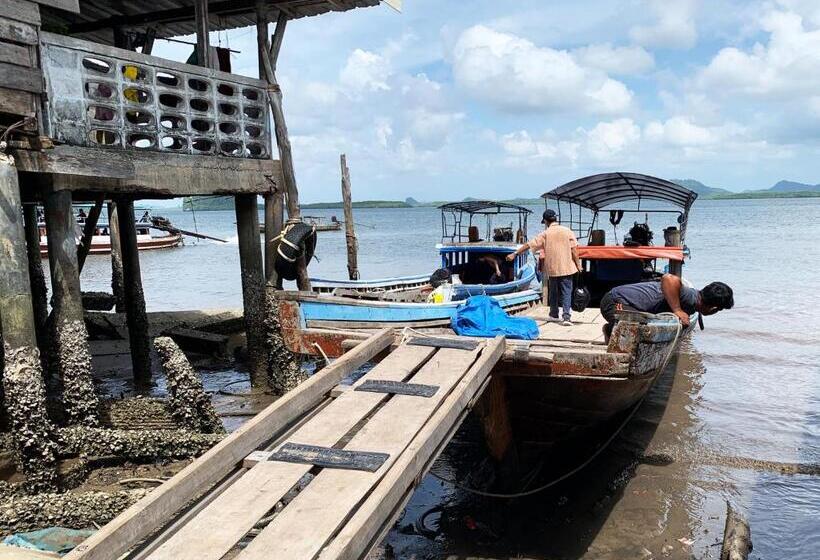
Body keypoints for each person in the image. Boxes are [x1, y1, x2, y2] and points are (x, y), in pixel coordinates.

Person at [507, 209, 582, 326]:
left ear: (546, 221)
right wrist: (578, 265)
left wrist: (515, 254)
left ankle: (553, 314)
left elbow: (529, 244)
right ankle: (566, 317)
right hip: (567, 267)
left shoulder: (545, 234)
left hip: (552, 269)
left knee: (553, 292)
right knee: (567, 292)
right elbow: (574, 250)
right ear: (556, 219)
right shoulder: (567, 231)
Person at [600, 275, 734, 340]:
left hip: (625, 302)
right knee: (640, 328)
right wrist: (677, 310)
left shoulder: (693, 302)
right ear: (714, 308)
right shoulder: (690, 297)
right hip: (614, 302)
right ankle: (612, 329)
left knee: (648, 325)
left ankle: (612, 330)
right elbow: (669, 279)